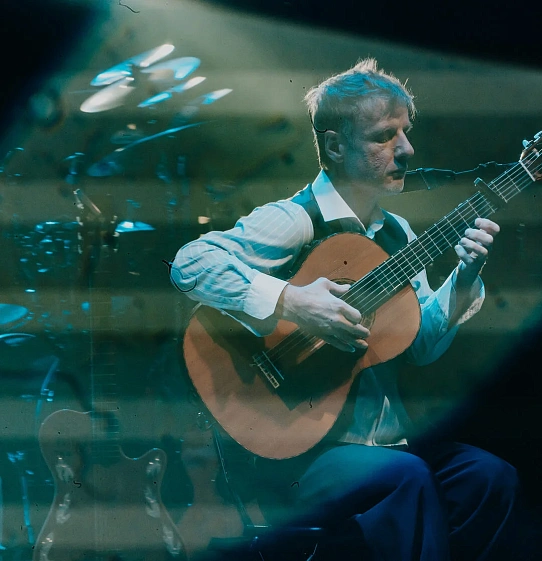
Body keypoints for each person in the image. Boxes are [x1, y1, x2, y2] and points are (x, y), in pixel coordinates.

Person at [170, 58, 520, 561]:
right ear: (335, 146)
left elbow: (420, 346)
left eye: (405, 131)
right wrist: (293, 301)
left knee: (487, 476)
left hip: (387, 448)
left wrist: (463, 277)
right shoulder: (295, 220)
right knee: (406, 477)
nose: (406, 149)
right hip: (299, 454)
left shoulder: (399, 235)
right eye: (384, 136)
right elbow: (191, 263)